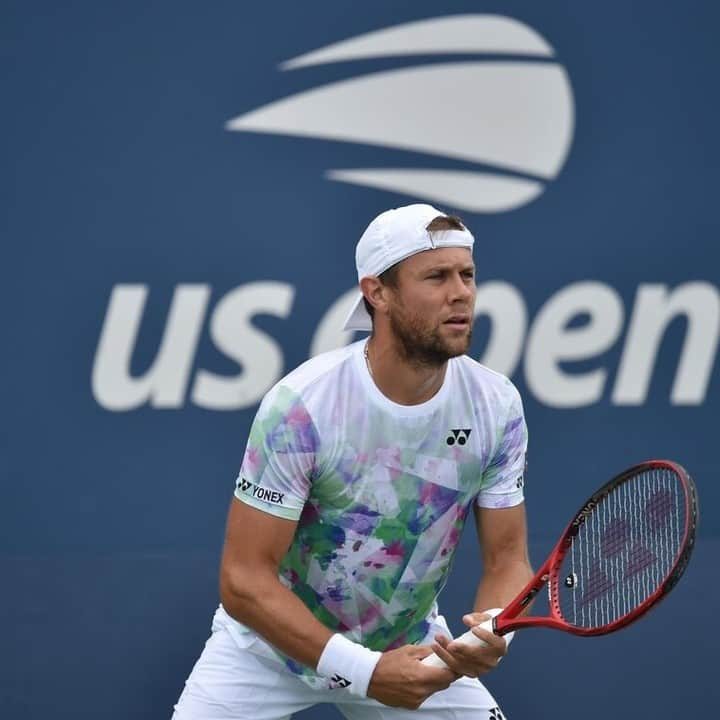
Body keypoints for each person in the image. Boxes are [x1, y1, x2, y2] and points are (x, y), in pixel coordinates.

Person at [172, 203, 532, 719]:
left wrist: (494, 629)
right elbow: (244, 579)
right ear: (377, 293)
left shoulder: (496, 406)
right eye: (436, 277)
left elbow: (507, 558)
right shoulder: (303, 406)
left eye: (468, 275)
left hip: (411, 651)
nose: (461, 293)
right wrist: (366, 672)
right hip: (269, 655)